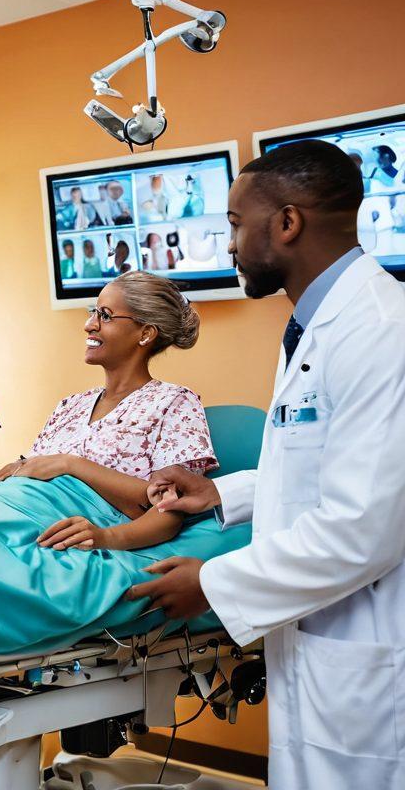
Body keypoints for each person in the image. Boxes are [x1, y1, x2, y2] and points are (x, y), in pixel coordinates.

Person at [129, 140, 405, 788]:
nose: (226, 243)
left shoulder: (380, 331)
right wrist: (221, 495)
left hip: (366, 661)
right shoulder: (312, 329)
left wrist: (213, 582)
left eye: (233, 223)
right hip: (317, 652)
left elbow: (363, 527)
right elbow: (318, 468)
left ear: (286, 224)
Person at [0, 271, 215, 551]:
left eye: (105, 316)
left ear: (145, 333)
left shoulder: (174, 402)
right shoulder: (70, 405)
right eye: (92, 312)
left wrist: (72, 465)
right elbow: (34, 472)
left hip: (51, 532)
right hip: (10, 509)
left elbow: (168, 508)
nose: (89, 325)